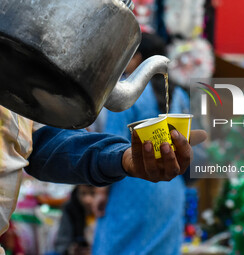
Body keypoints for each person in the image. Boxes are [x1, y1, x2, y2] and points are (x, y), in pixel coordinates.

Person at [0, 92, 206, 254]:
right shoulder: (180, 94)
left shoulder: (129, 96)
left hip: (132, 180)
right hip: (162, 182)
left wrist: (120, 159)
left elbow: (40, 141)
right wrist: (120, 157)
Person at [91, 32, 191, 255]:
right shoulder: (179, 95)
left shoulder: (125, 92)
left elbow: (112, 145)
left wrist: (100, 193)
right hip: (171, 185)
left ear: (140, 58)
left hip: (132, 184)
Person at [55, 185, 96, 255]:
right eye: (83, 193)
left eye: (93, 193)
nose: (87, 200)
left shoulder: (108, 210)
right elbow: (62, 243)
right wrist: (70, 250)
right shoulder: (70, 209)